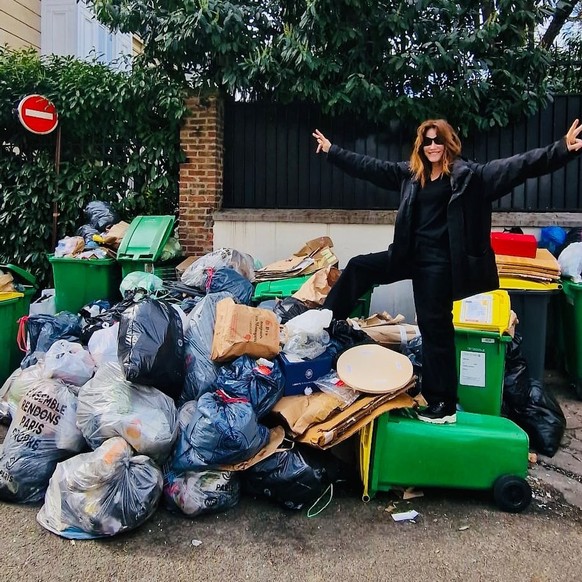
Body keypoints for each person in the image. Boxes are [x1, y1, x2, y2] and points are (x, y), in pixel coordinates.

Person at [312, 119, 582, 424]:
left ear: (448, 143)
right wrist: (333, 151)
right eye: (426, 142)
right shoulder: (412, 175)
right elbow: (371, 167)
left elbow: (518, 166)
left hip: (440, 265)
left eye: (437, 141)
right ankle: (323, 323)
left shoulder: (469, 177)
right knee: (361, 266)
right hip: (407, 256)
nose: (432, 147)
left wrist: (561, 149)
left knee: (434, 329)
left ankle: (444, 404)